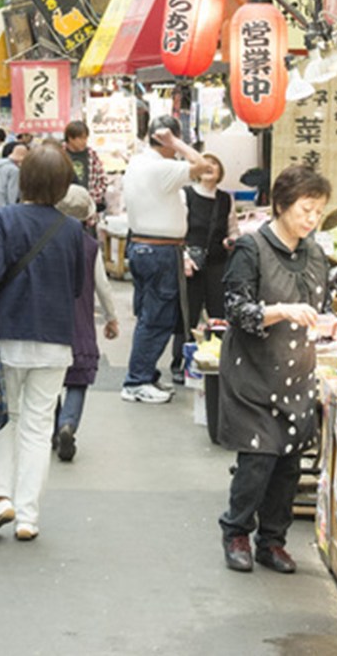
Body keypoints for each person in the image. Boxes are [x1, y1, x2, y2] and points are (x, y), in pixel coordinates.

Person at [217, 164, 337, 574]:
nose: (311, 219)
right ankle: (236, 532)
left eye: (318, 211)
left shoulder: (315, 253)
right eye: (306, 209)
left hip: (297, 373)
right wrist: (280, 311)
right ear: (283, 205)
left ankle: (273, 541)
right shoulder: (252, 249)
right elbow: (234, 310)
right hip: (253, 371)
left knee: (288, 464)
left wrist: (331, 324)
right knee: (257, 459)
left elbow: (322, 309)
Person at [0, 148, 86, 541]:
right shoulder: (73, 229)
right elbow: (76, 287)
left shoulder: (3, 219)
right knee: (39, 429)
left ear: (24, 179)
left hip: (9, 334)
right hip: (54, 339)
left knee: (4, 419)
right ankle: (28, 517)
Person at [119, 115, 216, 403]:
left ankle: (145, 375)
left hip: (143, 246)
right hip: (159, 250)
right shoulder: (162, 167)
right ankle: (136, 381)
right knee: (156, 318)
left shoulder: (138, 163)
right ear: (167, 140)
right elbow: (205, 166)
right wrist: (178, 144)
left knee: (150, 316)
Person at [50, 184, 120, 463]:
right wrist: (111, 318)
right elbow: (102, 286)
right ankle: (68, 424)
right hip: (80, 325)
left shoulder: (46, 239)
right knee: (78, 382)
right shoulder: (89, 246)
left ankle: (54, 429)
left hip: (48, 323)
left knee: (48, 380)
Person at [182, 154, 236, 333]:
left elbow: (233, 230)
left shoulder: (226, 199)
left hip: (218, 264)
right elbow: (178, 230)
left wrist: (232, 241)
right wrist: (184, 256)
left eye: (214, 163)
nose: (209, 166)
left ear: (220, 171)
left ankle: (216, 355)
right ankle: (181, 356)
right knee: (187, 315)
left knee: (218, 314)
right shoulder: (186, 195)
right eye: (204, 163)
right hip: (191, 265)